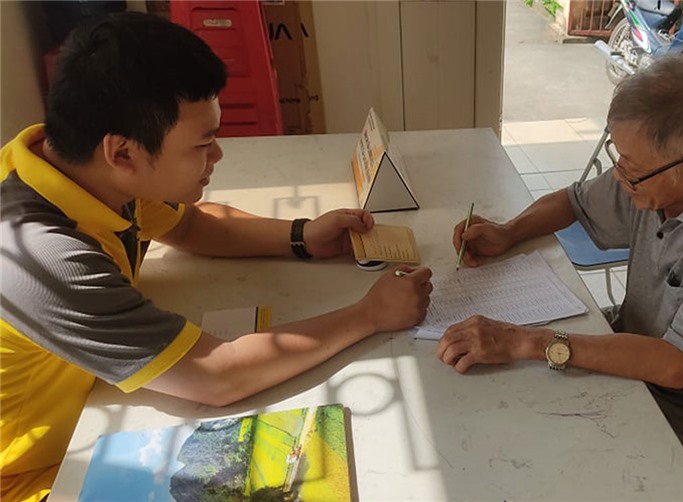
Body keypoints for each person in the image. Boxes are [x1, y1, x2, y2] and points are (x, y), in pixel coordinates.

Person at [0, 12, 432, 502]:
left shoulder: (73, 167)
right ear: (122, 153)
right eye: (203, 144)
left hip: (85, 412)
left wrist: (303, 236)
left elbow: (190, 225)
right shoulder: (44, 257)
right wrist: (369, 315)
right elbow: (215, 375)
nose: (218, 156)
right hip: (31, 478)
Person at [437, 56, 683, 477]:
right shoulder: (658, 178)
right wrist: (508, 232)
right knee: (499, 404)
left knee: (558, 470)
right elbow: (573, 201)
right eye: (617, 157)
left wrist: (525, 341)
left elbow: (675, 365)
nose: (619, 176)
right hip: (631, 341)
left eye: (631, 169)